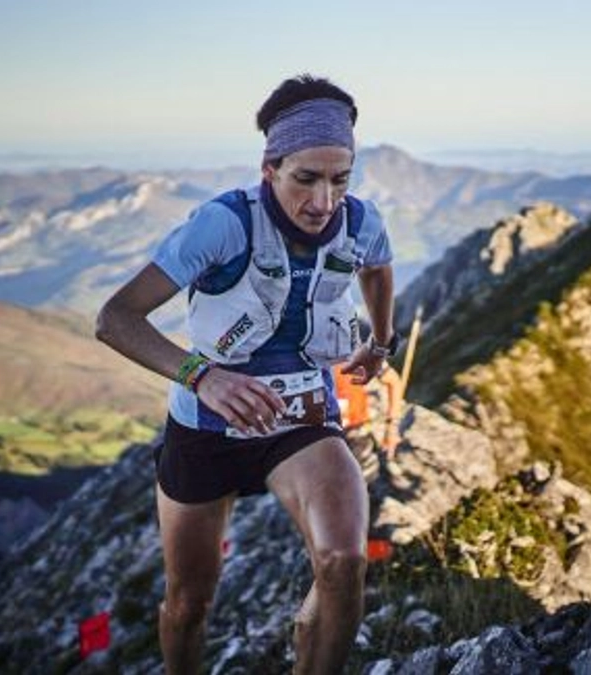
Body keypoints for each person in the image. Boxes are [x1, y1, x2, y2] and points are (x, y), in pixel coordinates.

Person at [95, 74, 396, 675]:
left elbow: (378, 267)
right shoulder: (225, 224)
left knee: (342, 563)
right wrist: (201, 376)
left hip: (301, 420)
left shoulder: (360, 222)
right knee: (188, 604)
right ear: (270, 167)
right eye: (306, 178)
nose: (323, 202)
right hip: (206, 431)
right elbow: (115, 318)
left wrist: (381, 341)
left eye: (341, 179)